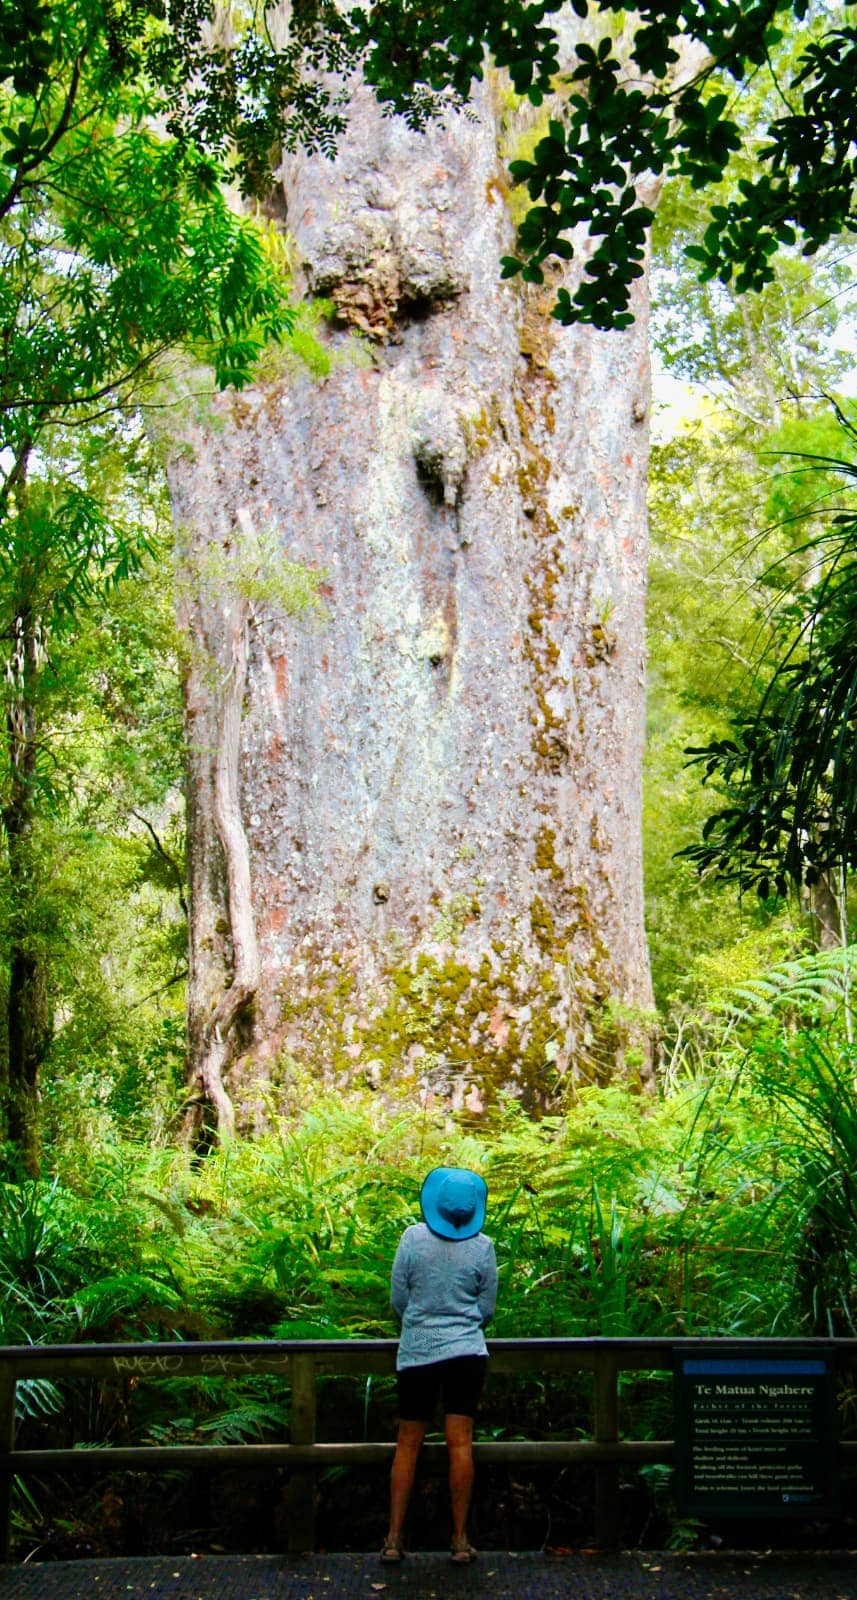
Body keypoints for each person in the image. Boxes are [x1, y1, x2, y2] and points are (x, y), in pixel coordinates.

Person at [380, 1166, 498, 1566]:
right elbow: (486, 1309)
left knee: (408, 1443)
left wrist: (421, 1323)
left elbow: (398, 1299)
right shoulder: (482, 1247)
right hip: (466, 1353)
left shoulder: (412, 1238)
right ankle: (460, 1540)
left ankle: (394, 1539)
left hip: (417, 1353)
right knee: (460, 1443)